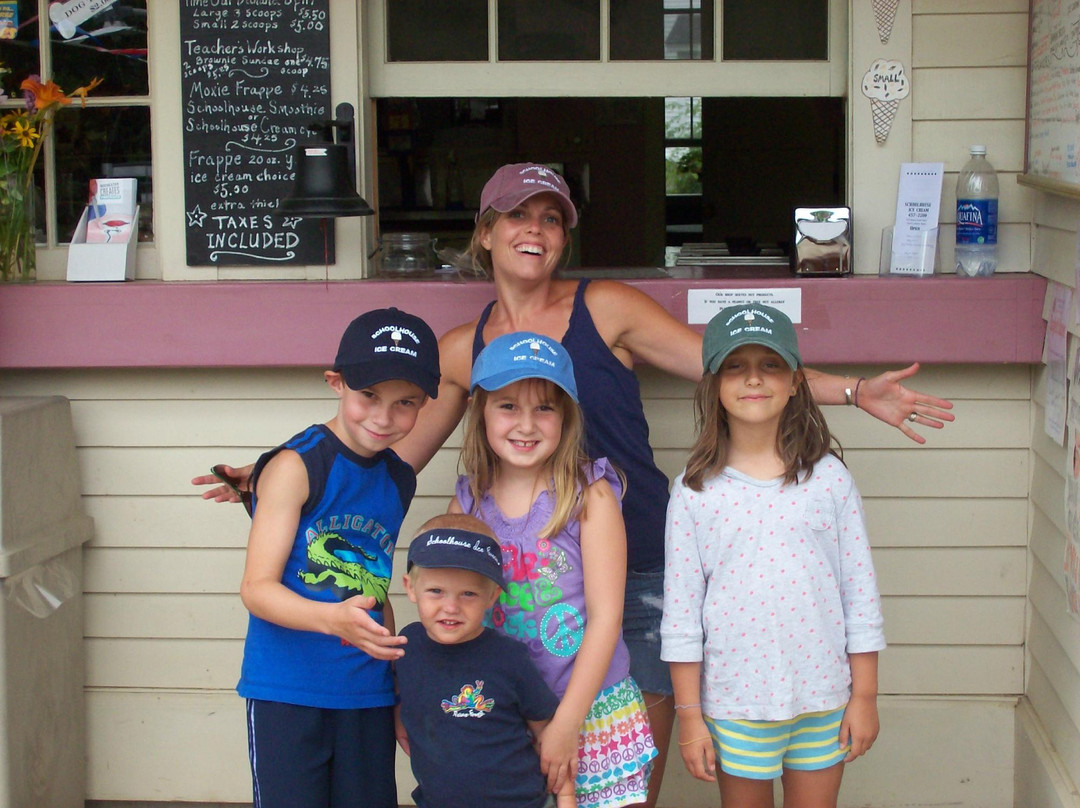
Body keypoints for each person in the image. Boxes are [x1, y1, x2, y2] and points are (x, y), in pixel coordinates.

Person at [194, 162, 953, 807]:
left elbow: (727, 363)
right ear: (484, 233)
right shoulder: (463, 349)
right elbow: (390, 452)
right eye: (515, 214)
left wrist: (854, 390)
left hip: (642, 564)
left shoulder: (608, 306)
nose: (535, 228)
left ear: (564, 236)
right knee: (535, 773)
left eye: (551, 217)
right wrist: (283, 476)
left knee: (620, 779)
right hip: (532, 587)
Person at [660, 304, 886, 808]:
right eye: (736, 366)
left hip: (825, 698)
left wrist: (865, 696)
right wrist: (691, 716)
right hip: (736, 704)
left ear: (794, 382)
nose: (754, 379)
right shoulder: (694, 493)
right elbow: (680, 618)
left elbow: (860, 596)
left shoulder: (829, 480)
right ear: (714, 383)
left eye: (771, 364)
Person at [236, 307, 440, 808]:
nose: (384, 416)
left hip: (366, 693)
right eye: (368, 395)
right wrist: (331, 620)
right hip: (288, 689)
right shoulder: (295, 465)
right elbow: (256, 589)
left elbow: (375, 586)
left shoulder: (397, 478)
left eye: (405, 402)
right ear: (336, 382)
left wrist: (395, 689)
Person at [450, 331, 657, 808]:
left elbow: (606, 618)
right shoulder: (468, 503)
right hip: (506, 708)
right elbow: (453, 602)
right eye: (507, 406)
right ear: (480, 410)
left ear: (566, 415)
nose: (526, 424)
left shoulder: (590, 494)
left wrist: (566, 723)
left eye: (544, 407)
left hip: (587, 705)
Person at [396, 513, 575, 808]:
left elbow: (548, 734)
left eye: (468, 594)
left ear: (492, 596)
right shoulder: (407, 647)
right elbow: (399, 691)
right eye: (436, 591)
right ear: (410, 587)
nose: (451, 607)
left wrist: (566, 798)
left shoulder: (509, 659)